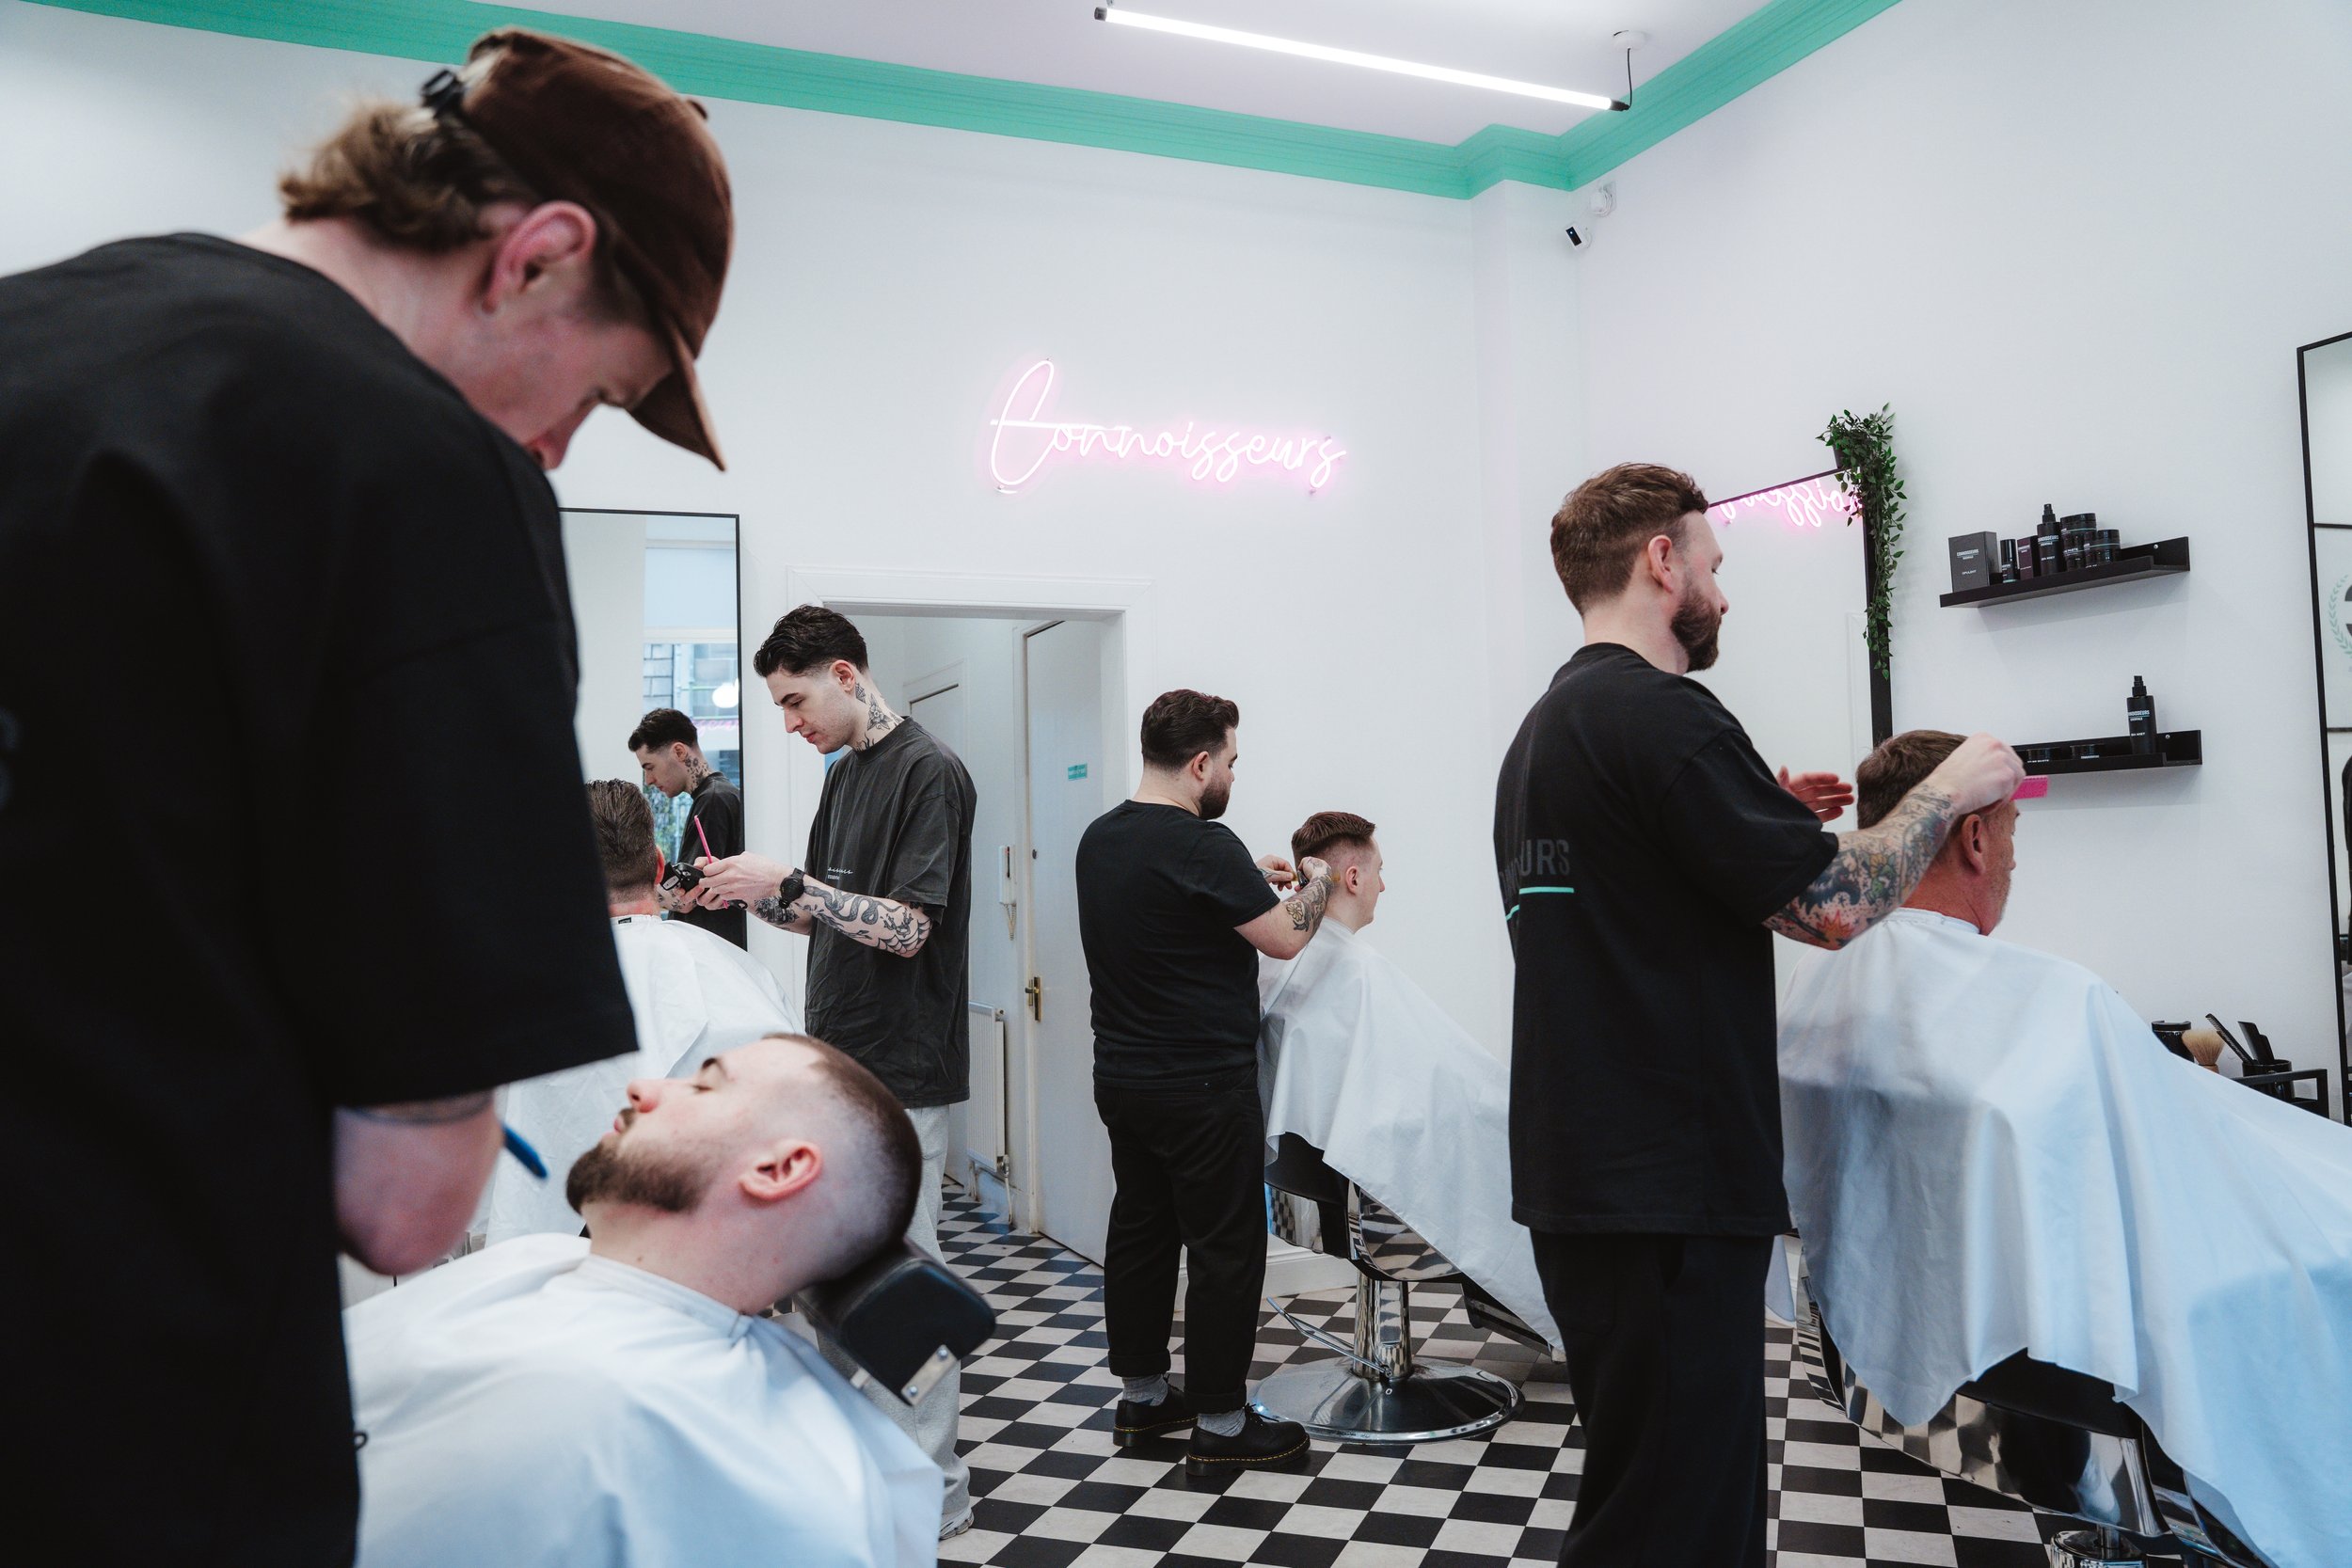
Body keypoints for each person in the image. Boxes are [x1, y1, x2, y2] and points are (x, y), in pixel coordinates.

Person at [0, 27, 733, 1564]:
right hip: (120, 1423)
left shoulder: (32, 334)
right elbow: (405, 1202)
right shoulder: (423, 476)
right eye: (592, 400)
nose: (548, 443)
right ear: (533, 256)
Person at [1493, 463, 2024, 1568]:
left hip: (1581, 1173)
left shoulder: (1545, 735)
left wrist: (1759, 817)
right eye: (1715, 566)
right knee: (1671, 1526)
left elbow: (1630, 895)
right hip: (1668, 1185)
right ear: (1660, 561)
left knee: (1664, 1492)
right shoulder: (1666, 717)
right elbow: (1832, 909)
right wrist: (1950, 790)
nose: (1723, 595)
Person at [1780, 730, 2352, 1568]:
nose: (2015, 854)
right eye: (2012, 828)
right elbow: (2191, 1196)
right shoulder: (2062, 1001)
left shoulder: (1818, 986)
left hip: (1919, 1350)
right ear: (1974, 837)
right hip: (2086, 1355)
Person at [348, 1037, 940, 1568]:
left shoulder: (680, 1433)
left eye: (705, 1085)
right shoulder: (548, 1259)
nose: (644, 1086)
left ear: (779, 1167)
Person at [686, 603, 977, 1535]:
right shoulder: (845, 770)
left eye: (795, 698)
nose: (789, 720)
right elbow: (826, 913)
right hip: (842, 1065)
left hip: (905, 1068)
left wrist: (796, 882)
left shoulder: (928, 771)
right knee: (839, 1283)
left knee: (908, 1285)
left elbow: (908, 926)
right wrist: (756, 890)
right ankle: (866, 1478)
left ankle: (930, 1495)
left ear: (847, 674)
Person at [1075, 689, 1339, 1474]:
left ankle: (1145, 1398)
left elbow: (1167, 912)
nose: (1230, 773)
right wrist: (1316, 879)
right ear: (1200, 763)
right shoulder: (1204, 844)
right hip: (1201, 1086)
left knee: (1142, 1231)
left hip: (1123, 1078)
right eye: (1229, 760)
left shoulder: (1101, 838)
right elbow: (1286, 937)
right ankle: (1224, 1422)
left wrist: (1242, 878)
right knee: (1226, 1247)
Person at [1257, 812, 1559, 1349]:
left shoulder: (1279, 963)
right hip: (1364, 1192)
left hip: (1304, 1183)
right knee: (1523, 1143)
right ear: (1352, 879)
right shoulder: (1357, 971)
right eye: (1378, 871)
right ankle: (1576, 1316)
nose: (1382, 885)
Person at [484, 781, 796, 1243]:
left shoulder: (536, 998)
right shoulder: (743, 975)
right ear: (658, 864)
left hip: (581, 1249)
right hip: (735, 1235)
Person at [631, 706, 748, 948]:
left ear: (679, 751)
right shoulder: (717, 796)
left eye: (649, 767)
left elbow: (687, 895)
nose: (649, 781)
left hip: (711, 950)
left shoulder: (713, 800)